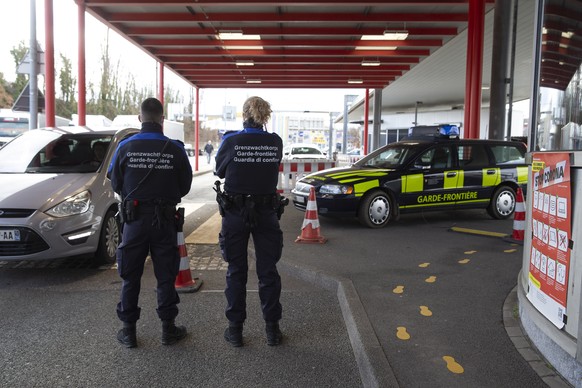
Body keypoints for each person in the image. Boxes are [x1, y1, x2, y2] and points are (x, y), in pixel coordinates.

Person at [108, 97, 193, 348]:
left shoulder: (125, 147)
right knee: (166, 276)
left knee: (130, 276)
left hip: (133, 221)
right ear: (162, 119)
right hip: (164, 221)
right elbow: (185, 186)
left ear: (140, 118)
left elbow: (116, 183)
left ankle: (129, 332)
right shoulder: (175, 148)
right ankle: (168, 330)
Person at [214, 96, 285, 347]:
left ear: (244, 115)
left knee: (236, 272)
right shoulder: (275, 142)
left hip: (235, 213)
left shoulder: (231, 141)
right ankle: (272, 331)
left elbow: (219, 171)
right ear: (265, 116)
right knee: (268, 272)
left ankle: (235, 332)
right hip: (266, 213)